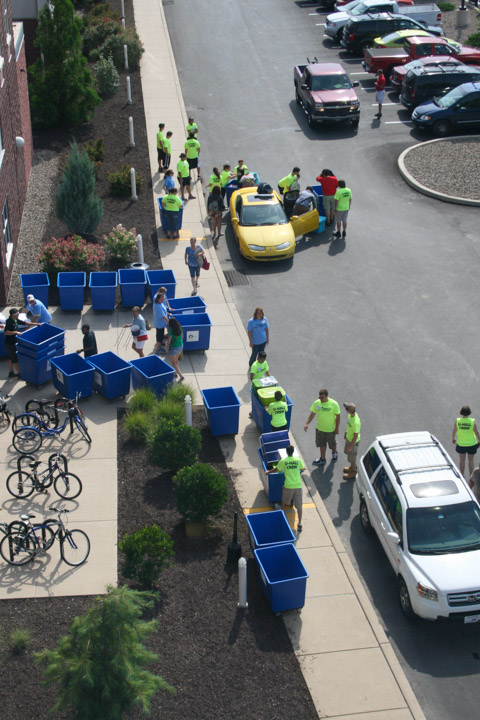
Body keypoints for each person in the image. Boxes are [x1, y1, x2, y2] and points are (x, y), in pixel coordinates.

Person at [266, 444, 305, 531]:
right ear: (293, 452)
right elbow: (303, 468)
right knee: (299, 505)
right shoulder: (298, 460)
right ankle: (299, 523)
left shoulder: (283, 461)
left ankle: (281, 510)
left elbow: (276, 469)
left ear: (286, 452)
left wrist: (268, 472)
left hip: (289, 485)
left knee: (284, 500)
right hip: (298, 485)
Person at [304, 388, 341, 465]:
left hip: (330, 430)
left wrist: (336, 428)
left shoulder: (334, 404)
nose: (321, 399)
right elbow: (313, 414)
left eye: (322, 397)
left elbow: (338, 416)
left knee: (332, 444)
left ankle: (334, 452)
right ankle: (322, 459)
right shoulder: (318, 403)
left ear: (327, 396)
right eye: (320, 397)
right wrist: (307, 423)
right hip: (320, 429)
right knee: (322, 444)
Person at [4, 308, 39, 378]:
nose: (18, 315)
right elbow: (6, 332)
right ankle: (20, 374)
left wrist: (35, 323)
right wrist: (16, 332)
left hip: (14, 341)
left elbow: (24, 323)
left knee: (11, 357)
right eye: (17, 314)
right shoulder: (9, 322)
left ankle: (11, 372)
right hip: (10, 343)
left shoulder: (15, 320)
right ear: (13, 315)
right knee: (14, 358)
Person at [452, 405, 480, 478]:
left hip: (461, 444)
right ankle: (471, 476)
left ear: (461, 412)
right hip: (471, 444)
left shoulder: (458, 421)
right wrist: (479, 440)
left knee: (462, 460)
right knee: (471, 460)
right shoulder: (472, 421)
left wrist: (453, 438)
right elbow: (476, 432)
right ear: (469, 412)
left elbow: (454, 431)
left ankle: (462, 475)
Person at [343, 402, 361, 479]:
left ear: (348, 411)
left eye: (346, 408)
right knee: (350, 456)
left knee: (352, 457)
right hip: (349, 438)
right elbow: (349, 427)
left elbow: (355, 435)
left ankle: (353, 472)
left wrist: (350, 446)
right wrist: (346, 433)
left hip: (352, 442)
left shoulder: (355, 422)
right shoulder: (350, 415)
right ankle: (352, 467)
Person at [165, 316, 184, 381]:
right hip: (180, 346)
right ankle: (175, 374)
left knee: (173, 363)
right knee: (176, 361)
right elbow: (182, 337)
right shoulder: (180, 327)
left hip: (174, 348)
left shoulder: (171, 330)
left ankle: (181, 375)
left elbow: (169, 341)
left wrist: (167, 346)